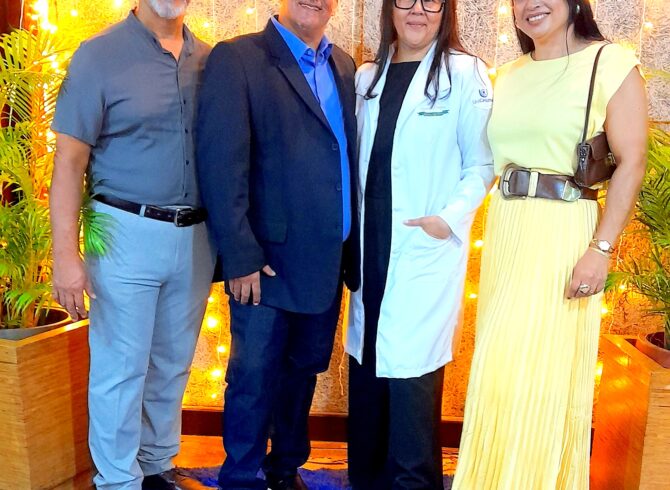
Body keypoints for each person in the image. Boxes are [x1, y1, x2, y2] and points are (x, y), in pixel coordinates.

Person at [452, 0, 647, 488]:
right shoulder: (508, 75)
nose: (529, 5)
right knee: (500, 369)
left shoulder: (610, 63)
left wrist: (601, 249)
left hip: (564, 232)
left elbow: (633, 161)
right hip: (507, 228)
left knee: (543, 373)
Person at [49, 1, 215, 488]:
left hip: (196, 237)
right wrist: (65, 257)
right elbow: (69, 162)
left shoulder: (210, 60)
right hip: (124, 232)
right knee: (121, 370)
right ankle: (118, 481)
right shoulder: (98, 55)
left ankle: (158, 466)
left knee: (171, 365)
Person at [195, 0, 359, 488]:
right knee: (253, 379)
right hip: (263, 264)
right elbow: (221, 165)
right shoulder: (238, 58)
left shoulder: (344, 65)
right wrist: (240, 254)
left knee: (303, 373)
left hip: (326, 259)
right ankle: (242, 477)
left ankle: (285, 470)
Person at [344, 0, 494, 488]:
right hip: (369, 251)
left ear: (445, 11)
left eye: (430, 1)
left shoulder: (465, 74)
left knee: (413, 390)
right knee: (368, 379)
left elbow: (482, 164)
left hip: (421, 250)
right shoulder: (367, 77)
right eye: (405, 0)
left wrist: (447, 221)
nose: (417, 10)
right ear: (389, 10)